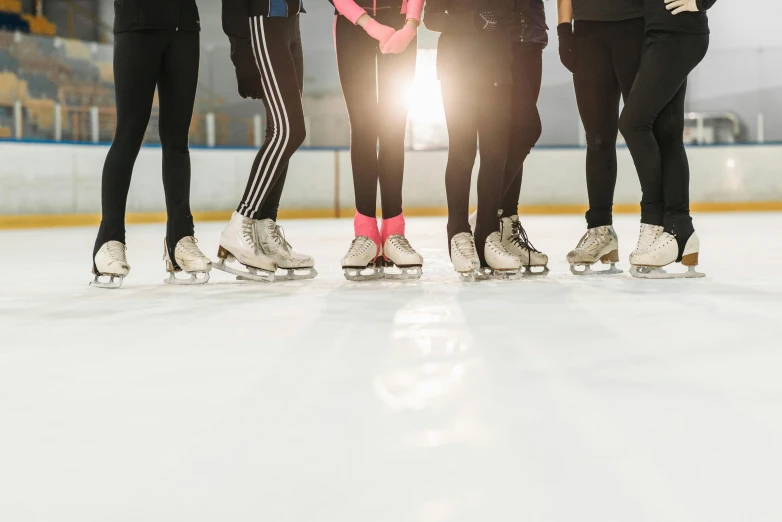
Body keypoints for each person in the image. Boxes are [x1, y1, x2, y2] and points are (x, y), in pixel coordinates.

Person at [91, 0, 211, 289]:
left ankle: (180, 240)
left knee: (177, 139)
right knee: (129, 133)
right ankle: (109, 240)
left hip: (184, 27)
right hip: (137, 23)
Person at [215, 0, 316, 283]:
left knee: (280, 129)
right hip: (263, 19)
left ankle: (264, 227)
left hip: (291, 21)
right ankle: (240, 223)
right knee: (291, 131)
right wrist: (242, 52)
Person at [619, 0, 717, 278]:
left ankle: (660, 220)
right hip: (659, 34)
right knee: (668, 133)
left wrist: (701, 1)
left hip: (679, 34)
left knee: (632, 123)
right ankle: (681, 230)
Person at [425, 0, 522, 280]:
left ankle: (487, 234)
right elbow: (432, 18)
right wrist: (476, 20)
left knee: (495, 155)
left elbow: (508, 15)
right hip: (457, 70)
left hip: (497, 68)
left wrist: (511, 24)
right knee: (462, 154)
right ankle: (457, 232)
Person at [332, 0, 426, 281]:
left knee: (393, 130)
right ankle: (366, 235)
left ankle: (395, 232)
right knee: (362, 129)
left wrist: (411, 25)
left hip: (400, 26)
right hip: (352, 26)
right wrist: (368, 23)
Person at [556, 0, 644, 275]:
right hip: (588, 33)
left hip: (636, 25)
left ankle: (656, 227)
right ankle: (600, 230)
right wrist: (563, 29)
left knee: (643, 130)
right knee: (597, 138)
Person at [495, 0, 550, 276]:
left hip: (532, 38)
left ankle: (505, 225)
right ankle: (487, 215)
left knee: (517, 135)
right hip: (500, 39)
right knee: (525, 129)